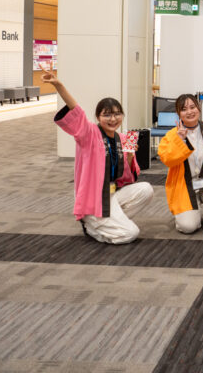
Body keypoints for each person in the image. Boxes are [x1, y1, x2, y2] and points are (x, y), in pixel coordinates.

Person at [42, 66, 154, 244]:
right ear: (98, 117)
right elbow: (76, 111)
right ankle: (92, 226)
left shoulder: (123, 139)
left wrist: (130, 157)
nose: (113, 119)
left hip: (112, 194)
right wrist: (59, 85)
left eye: (117, 114)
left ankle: (109, 222)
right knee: (131, 233)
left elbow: (127, 179)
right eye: (107, 115)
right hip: (94, 198)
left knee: (146, 189)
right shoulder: (89, 134)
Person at [157, 94, 203, 234]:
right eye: (184, 109)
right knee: (188, 227)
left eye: (193, 107)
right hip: (184, 186)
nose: (190, 112)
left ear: (199, 108)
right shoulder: (172, 135)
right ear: (178, 113)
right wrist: (180, 141)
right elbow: (168, 160)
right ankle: (187, 213)